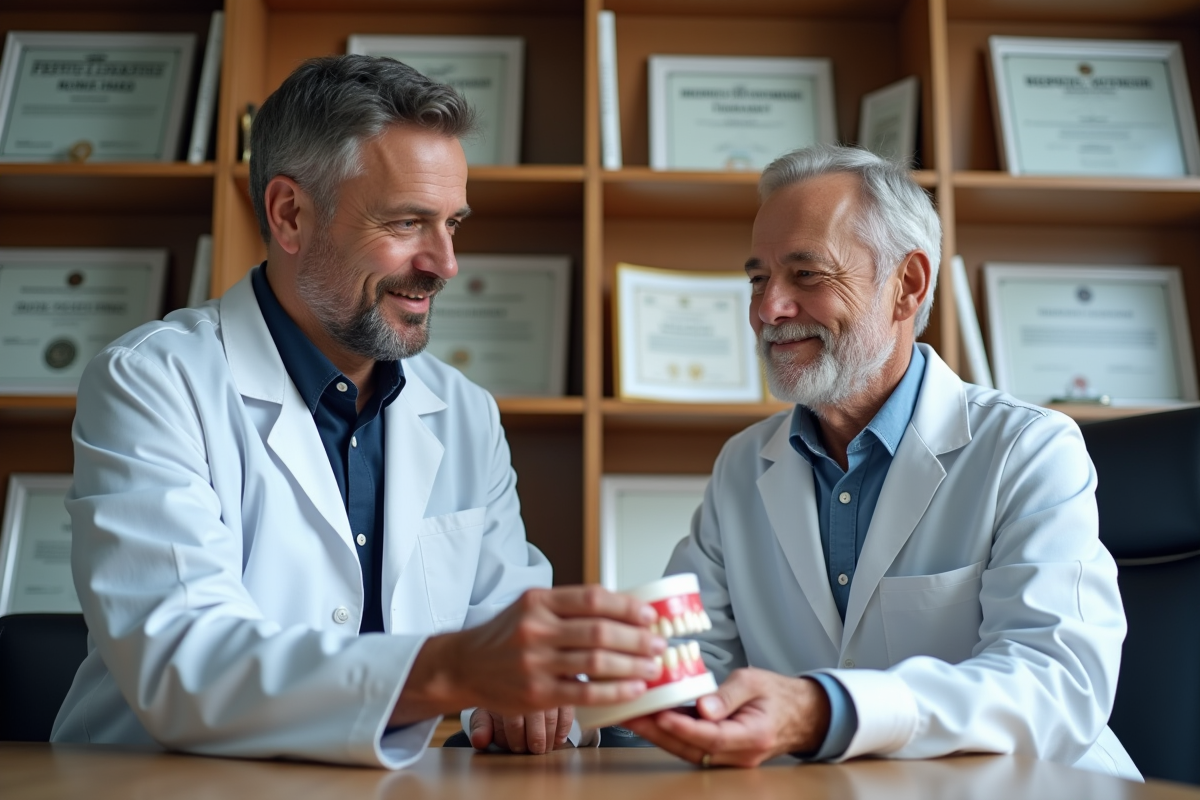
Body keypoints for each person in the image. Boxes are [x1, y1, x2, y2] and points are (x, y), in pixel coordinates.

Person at [51, 55, 665, 767]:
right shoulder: (154, 382)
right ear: (290, 214)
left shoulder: (463, 412)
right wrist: (456, 671)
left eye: (452, 224)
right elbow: (186, 664)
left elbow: (507, 636)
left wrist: (553, 695)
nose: (444, 264)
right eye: (408, 222)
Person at [625, 144, 1141, 781]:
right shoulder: (743, 466)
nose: (767, 309)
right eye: (758, 278)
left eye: (806, 275)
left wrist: (828, 709)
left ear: (908, 285)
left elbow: (1056, 684)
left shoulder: (1029, 450)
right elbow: (684, 659)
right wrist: (564, 705)